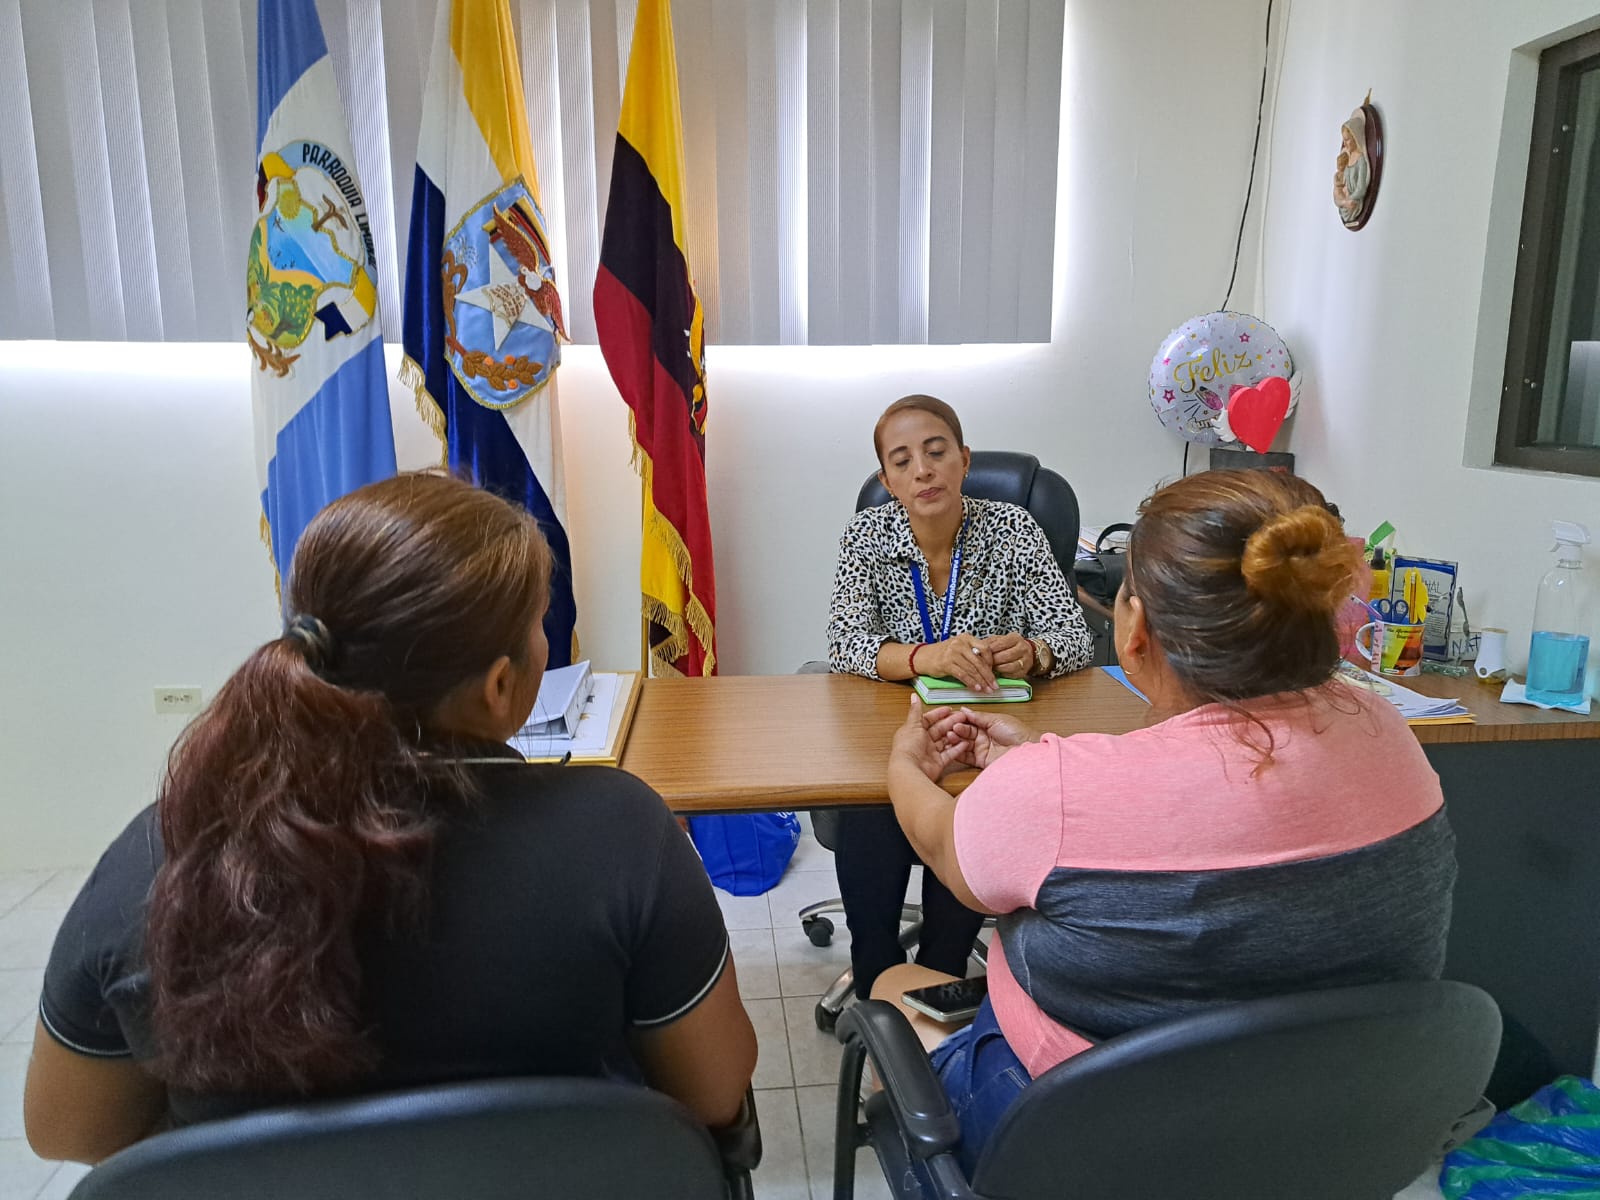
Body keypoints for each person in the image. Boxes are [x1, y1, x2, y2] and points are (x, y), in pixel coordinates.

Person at [24, 473, 757, 1165]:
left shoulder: (166, 850)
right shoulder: (620, 835)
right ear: (499, 686)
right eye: (540, 625)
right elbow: (714, 1092)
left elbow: (68, 1131)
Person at [879, 469, 1455, 1181]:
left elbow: (944, 843)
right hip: (1321, 1138)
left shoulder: (1058, 790)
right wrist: (1042, 768)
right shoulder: (1387, 734)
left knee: (893, 988)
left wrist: (905, 762)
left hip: (1082, 1144)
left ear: (1136, 629)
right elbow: (1197, 792)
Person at [825, 394, 1093, 1000]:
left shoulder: (1014, 529)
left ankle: (942, 974)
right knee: (871, 801)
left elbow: (1073, 636)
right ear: (887, 481)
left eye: (936, 452)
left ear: (964, 460)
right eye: (902, 461)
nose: (923, 470)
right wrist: (925, 656)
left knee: (975, 799)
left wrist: (1034, 652)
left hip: (986, 735)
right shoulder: (866, 536)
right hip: (897, 728)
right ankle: (874, 968)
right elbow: (845, 644)